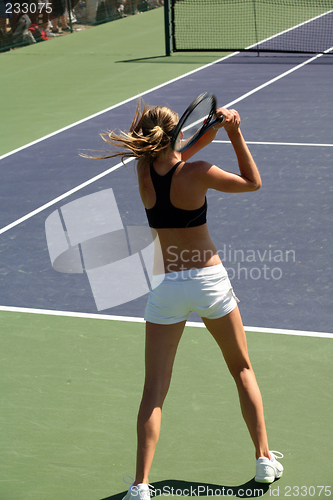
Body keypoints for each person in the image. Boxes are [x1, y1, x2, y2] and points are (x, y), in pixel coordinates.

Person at [90, 99, 284, 498]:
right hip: (209, 282)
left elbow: (171, 159)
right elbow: (253, 182)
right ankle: (264, 460)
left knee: (154, 390)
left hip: (166, 288)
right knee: (242, 369)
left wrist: (204, 135)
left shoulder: (143, 170)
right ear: (177, 135)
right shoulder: (198, 172)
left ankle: (141, 485)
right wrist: (233, 133)